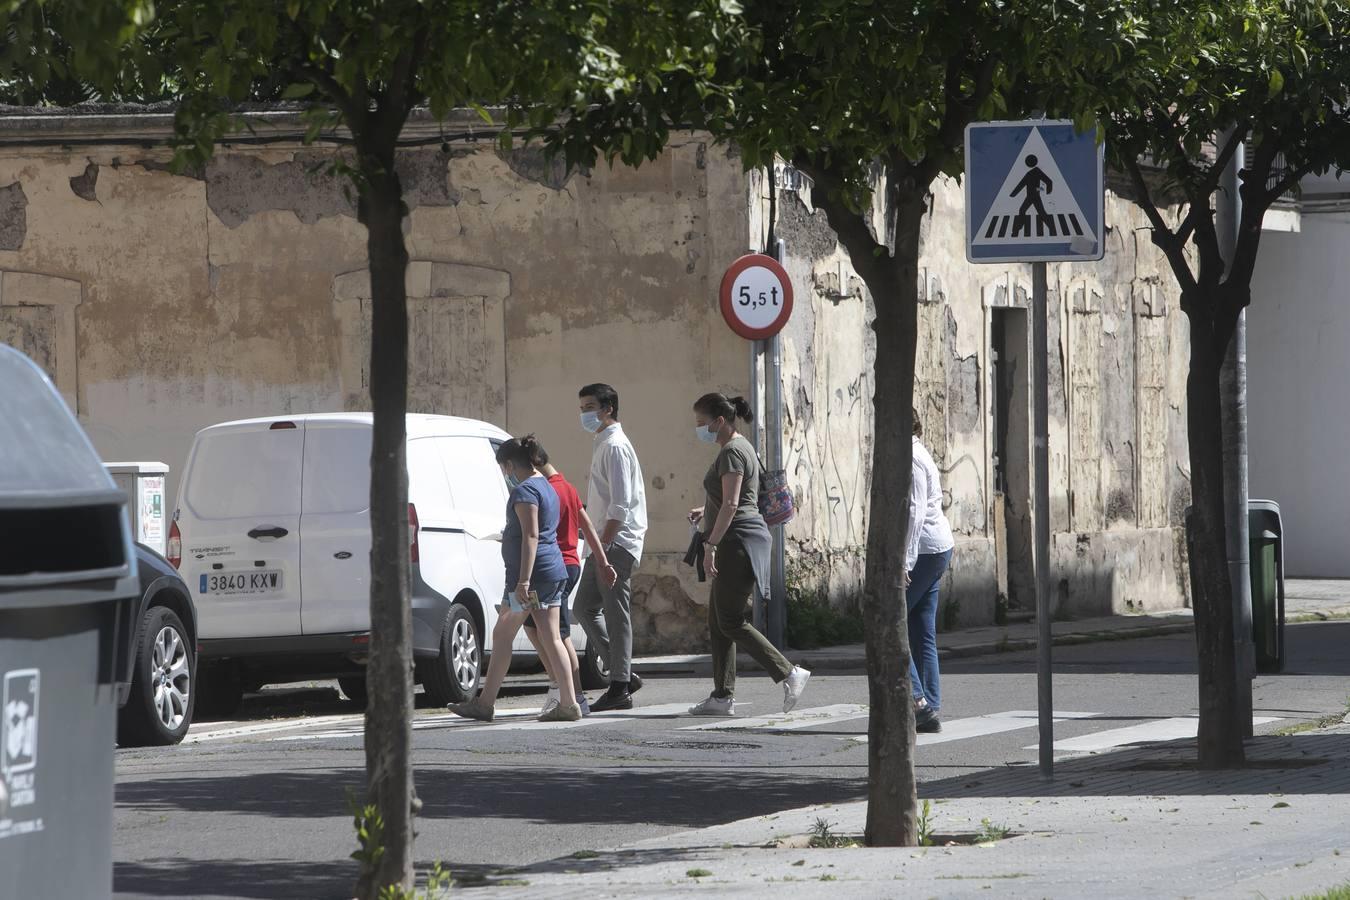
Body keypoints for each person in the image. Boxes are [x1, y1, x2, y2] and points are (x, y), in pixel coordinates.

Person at [685, 392, 810, 717]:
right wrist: (706, 511)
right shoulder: (742, 447)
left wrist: (710, 544)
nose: (699, 429)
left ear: (720, 421)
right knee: (718, 621)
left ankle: (789, 673)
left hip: (737, 541)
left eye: (702, 423)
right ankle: (722, 696)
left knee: (730, 619)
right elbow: (733, 497)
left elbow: (732, 503)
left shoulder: (731, 451)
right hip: (739, 535)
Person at [448, 435, 581, 723]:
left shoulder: (524, 492)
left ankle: (566, 703)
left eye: (502, 468)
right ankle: (489, 703)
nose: (503, 473)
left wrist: (523, 581)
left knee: (524, 634)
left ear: (508, 465)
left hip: (532, 580)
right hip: (546, 573)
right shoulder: (546, 486)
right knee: (525, 634)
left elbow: (531, 535)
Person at [519, 438, 618, 717]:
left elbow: (532, 534)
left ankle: (571, 694)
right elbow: (588, 528)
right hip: (569, 564)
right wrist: (602, 561)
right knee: (534, 627)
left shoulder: (543, 490)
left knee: (558, 634)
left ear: (532, 464)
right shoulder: (567, 488)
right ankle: (565, 689)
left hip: (552, 568)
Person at [573, 383, 648, 712]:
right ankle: (624, 674)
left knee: (616, 616)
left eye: (590, 407)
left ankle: (619, 687)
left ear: (608, 409)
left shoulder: (615, 446)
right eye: (582, 407)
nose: (584, 414)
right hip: (602, 542)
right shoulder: (603, 442)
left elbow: (620, 506)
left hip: (614, 542)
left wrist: (602, 546)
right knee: (583, 608)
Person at [907, 409, 955, 733]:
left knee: (890, 624)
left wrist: (903, 562)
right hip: (937, 547)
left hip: (923, 549)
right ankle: (931, 705)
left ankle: (918, 703)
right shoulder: (920, 451)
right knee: (922, 629)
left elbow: (914, 512)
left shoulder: (909, 457)